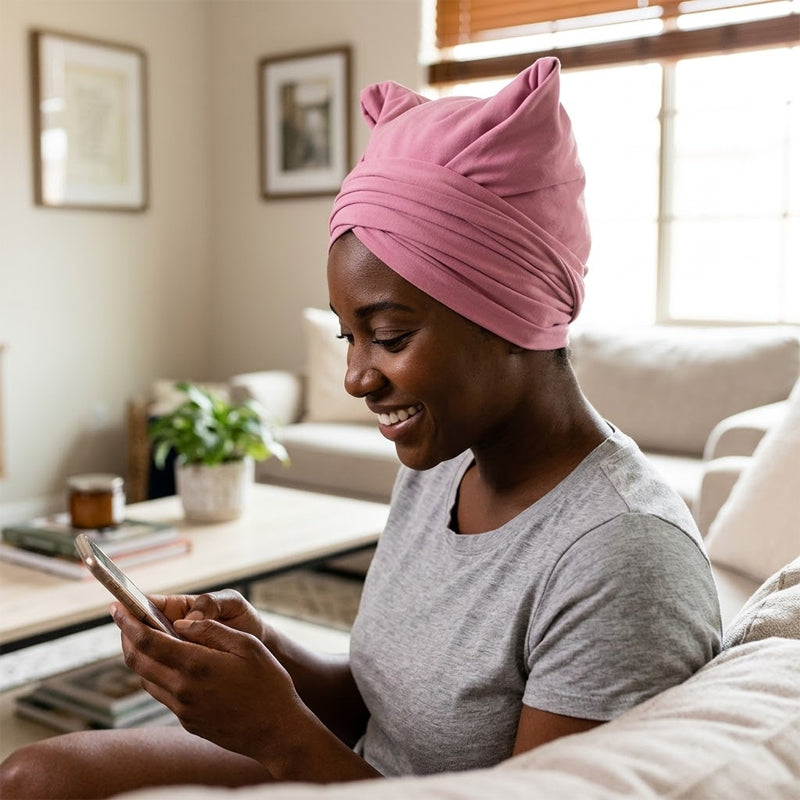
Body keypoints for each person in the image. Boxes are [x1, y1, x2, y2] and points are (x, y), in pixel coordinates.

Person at [0, 57, 721, 798]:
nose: (356, 378)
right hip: (356, 770)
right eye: (351, 337)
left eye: (391, 335)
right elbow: (386, 713)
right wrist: (270, 652)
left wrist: (277, 731)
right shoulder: (444, 463)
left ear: (514, 317)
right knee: (35, 775)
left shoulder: (624, 559)